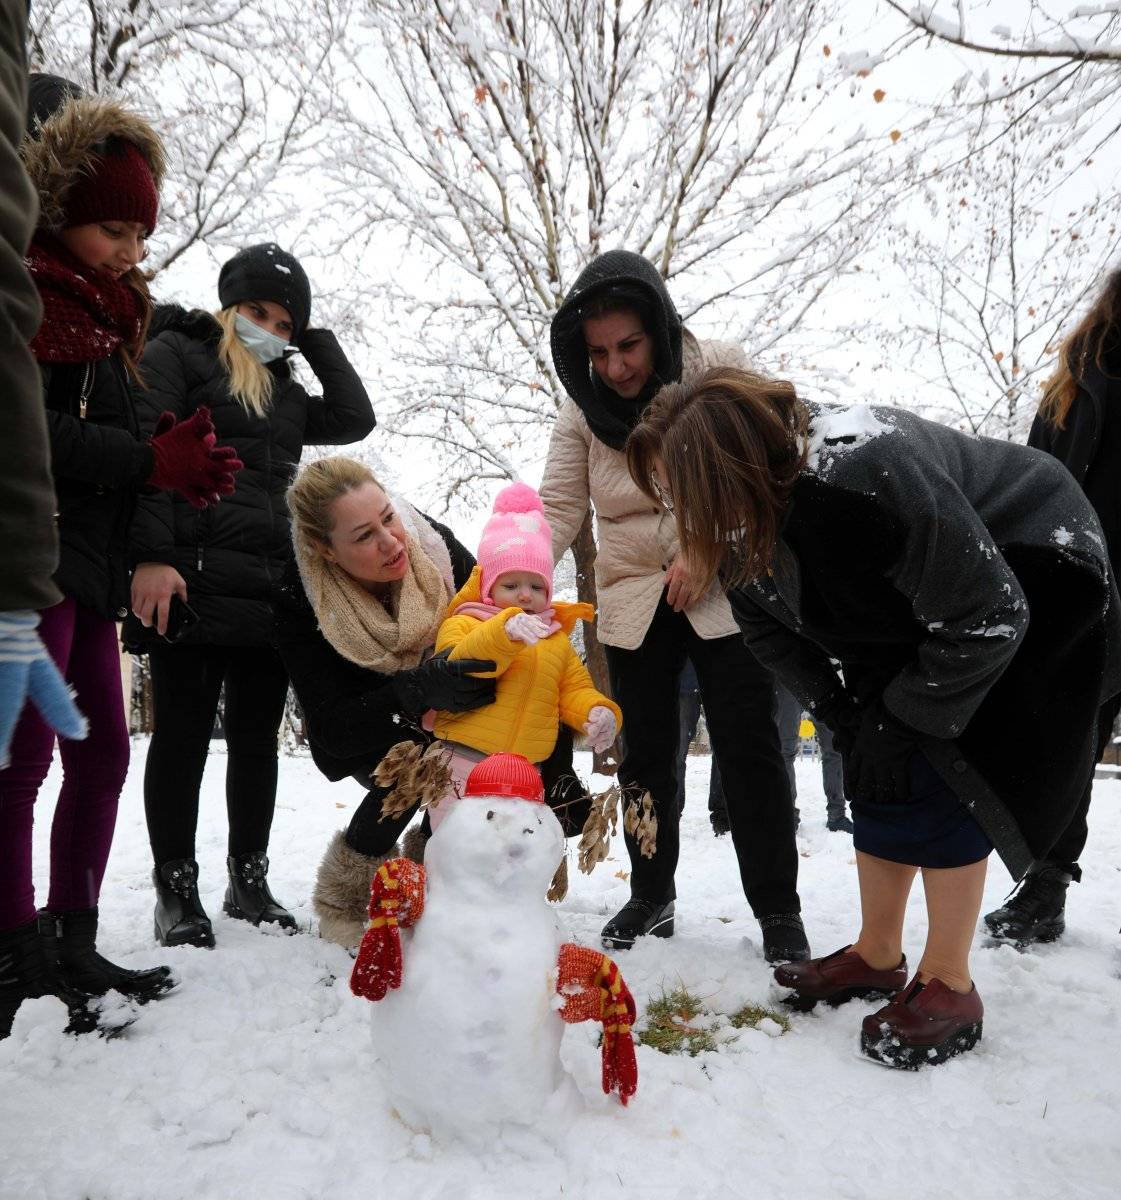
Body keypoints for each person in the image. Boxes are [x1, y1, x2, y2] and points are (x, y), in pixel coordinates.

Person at [625, 366, 1121, 1067]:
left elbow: (989, 614)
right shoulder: (735, 522)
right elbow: (767, 631)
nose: (675, 512)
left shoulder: (863, 472)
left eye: (680, 491)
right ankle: (878, 953)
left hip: (1035, 560)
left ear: (724, 470)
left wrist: (904, 719)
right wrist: (841, 712)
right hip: (922, 602)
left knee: (948, 761)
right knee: (872, 756)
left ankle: (949, 983)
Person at [1, 79, 243, 1039]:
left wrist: (173, 468)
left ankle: (74, 937)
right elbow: (31, 437)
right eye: (113, 230)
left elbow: (127, 438)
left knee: (101, 752)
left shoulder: (110, 318)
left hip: (89, 571)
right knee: (20, 761)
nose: (132, 252)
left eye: (141, 234)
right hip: (28, 561)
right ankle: (12, 954)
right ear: (54, 207)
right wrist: (149, 460)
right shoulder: (25, 303)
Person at [542, 249, 804, 961]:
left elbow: (771, 462)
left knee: (750, 749)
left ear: (658, 326)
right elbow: (559, 507)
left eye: (628, 345)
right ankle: (651, 893)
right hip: (633, 598)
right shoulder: (579, 413)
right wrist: (508, 574)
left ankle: (778, 910)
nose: (616, 366)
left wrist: (708, 544)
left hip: (725, 587)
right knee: (646, 758)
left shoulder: (717, 366)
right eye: (598, 353)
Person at [123, 244, 375, 949]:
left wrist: (314, 339)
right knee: (181, 737)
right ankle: (175, 891)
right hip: (189, 582)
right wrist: (151, 556)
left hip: (269, 591)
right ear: (229, 305)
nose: (269, 328)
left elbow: (355, 416)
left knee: (256, 742)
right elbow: (148, 455)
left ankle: (249, 881)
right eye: (257, 311)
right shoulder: (179, 354)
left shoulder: (287, 391)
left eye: (285, 322)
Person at [274, 458, 591, 948]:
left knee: (482, 764)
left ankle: (442, 873)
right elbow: (333, 731)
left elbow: (534, 650)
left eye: (388, 517)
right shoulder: (300, 597)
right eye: (364, 536)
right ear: (325, 550)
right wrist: (418, 689)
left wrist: (555, 768)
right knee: (419, 762)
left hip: (469, 713)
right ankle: (346, 898)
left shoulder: (435, 550)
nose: (390, 541)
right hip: (375, 727)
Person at [985, 271, 1121, 946]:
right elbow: (1032, 484)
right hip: (1084, 594)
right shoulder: (1075, 385)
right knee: (1070, 742)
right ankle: (1044, 886)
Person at [427, 482, 621, 826]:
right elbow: (457, 666)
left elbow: (573, 689)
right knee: (457, 845)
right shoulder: (464, 622)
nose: (525, 595)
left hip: (524, 773)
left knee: (512, 851)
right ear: (488, 587)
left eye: (536, 586)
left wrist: (597, 711)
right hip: (460, 762)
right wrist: (502, 632)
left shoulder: (555, 640)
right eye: (511, 585)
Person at [773, 681, 852, 833]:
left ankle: (836, 814)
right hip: (790, 677)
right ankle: (788, 816)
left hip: (816, 678)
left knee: (834, 749)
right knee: (785, 752)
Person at [674, 660, 729, 836]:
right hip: (684, 680)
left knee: (723, 750)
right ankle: (672, 810)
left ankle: (723, 813)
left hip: (719, 678)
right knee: (676, 751)